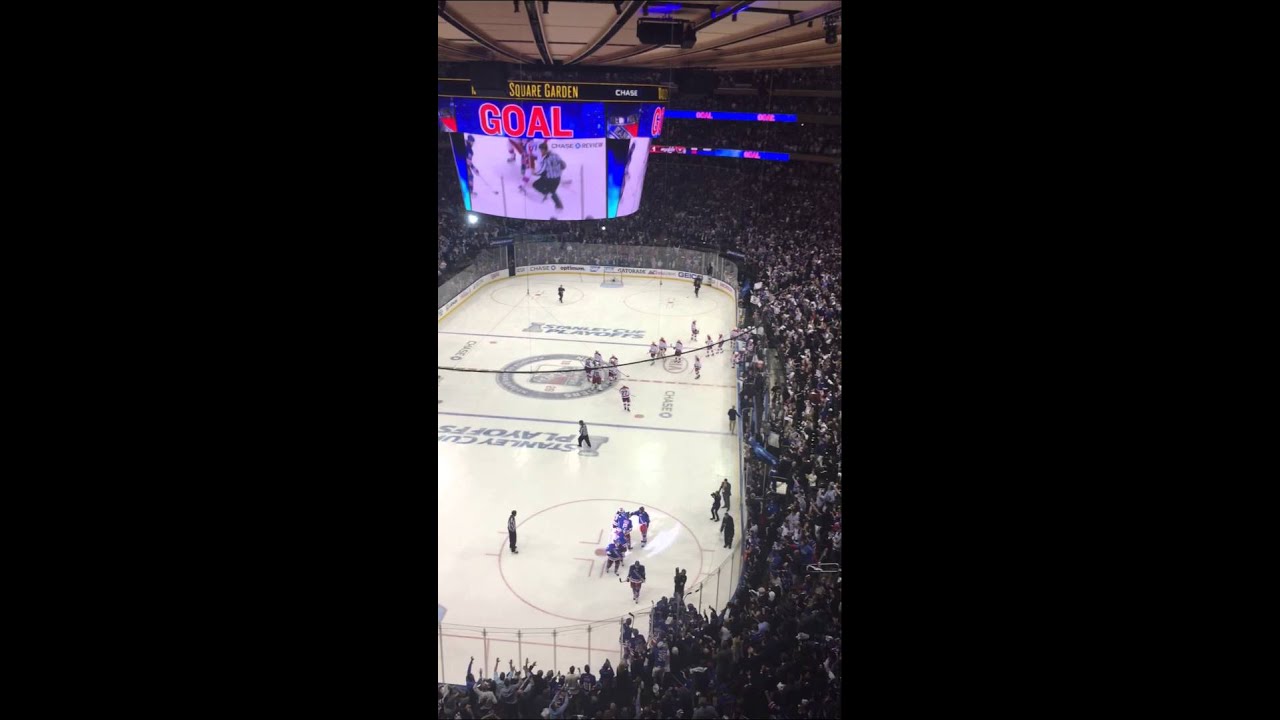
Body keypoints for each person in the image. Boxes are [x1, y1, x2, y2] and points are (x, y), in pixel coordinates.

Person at [532, 141, 566, 211]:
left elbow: (542, 170)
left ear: (544, 150)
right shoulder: (556, 155)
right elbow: (563, 165)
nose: (541, 152)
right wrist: (558, 171)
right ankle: (558, 205)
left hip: (549, 179)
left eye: (541, 151)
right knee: (552, 191)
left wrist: (535, 173)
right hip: (557, 179)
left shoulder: (546, 159)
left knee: (535, 185)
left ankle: (546, 193)